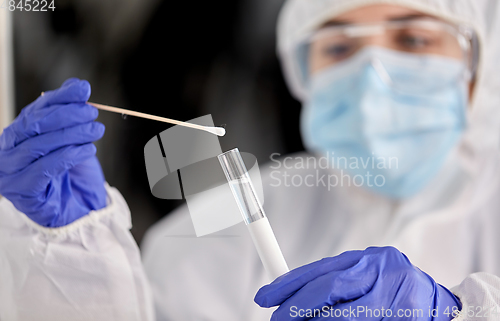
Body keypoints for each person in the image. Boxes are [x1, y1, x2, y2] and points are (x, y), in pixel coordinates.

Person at [1, 0, 500, 321]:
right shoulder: (247, 204)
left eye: (413, 39)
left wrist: (459, 314)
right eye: (341, 46)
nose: (371, 80)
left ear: (481, 63)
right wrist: (72, 252)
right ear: (303, 72)